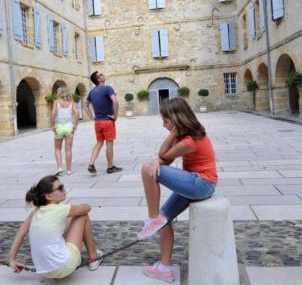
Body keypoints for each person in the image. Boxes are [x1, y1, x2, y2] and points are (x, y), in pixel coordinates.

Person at [137, 98, 218, 283]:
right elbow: (166, 159)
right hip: (197, 182)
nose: (163, 124)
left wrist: (171, 136)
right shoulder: (186, 135)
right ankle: (165, 268)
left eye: (166, 121)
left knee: (146, 169)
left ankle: (152, 218)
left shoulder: (190, 140)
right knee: (165, 218)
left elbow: (162, 155)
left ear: (177, 120)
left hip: (201, 184)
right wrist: (159, 159)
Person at [8, 175, 103, 278]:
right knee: (82, 216)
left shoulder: (36, 212)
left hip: (44, 271)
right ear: (48, 196)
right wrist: (81, 207)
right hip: (64, 266)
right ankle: (93, 258)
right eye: (60, 188)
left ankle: (68, 252)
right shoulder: (61, 209)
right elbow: (87, 208)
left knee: (69, 218)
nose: (64, 189)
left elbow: (20, 234)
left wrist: (12, 259)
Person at [83, 71, 122, 174]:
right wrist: (115, 116)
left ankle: (91, 164)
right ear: (98, 79)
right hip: (108, 121)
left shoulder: (92, 92)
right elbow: (115, 101)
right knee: (109, 144)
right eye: (100, 75)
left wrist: (92, 117)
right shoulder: (108, 89)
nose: (103, 74)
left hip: (98, 122)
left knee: (99, 143)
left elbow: (85, 104)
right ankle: (110, 167)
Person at [51, 87, 79, 175]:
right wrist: (75, 125)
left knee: (57, 148)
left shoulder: (56, 102)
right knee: (68, 149)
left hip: (59, 126)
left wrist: (52, 126)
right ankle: (69, 170)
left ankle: (59, 167)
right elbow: (77, 113)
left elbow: (53, 114)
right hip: (69, 126)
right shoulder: (72, 102)